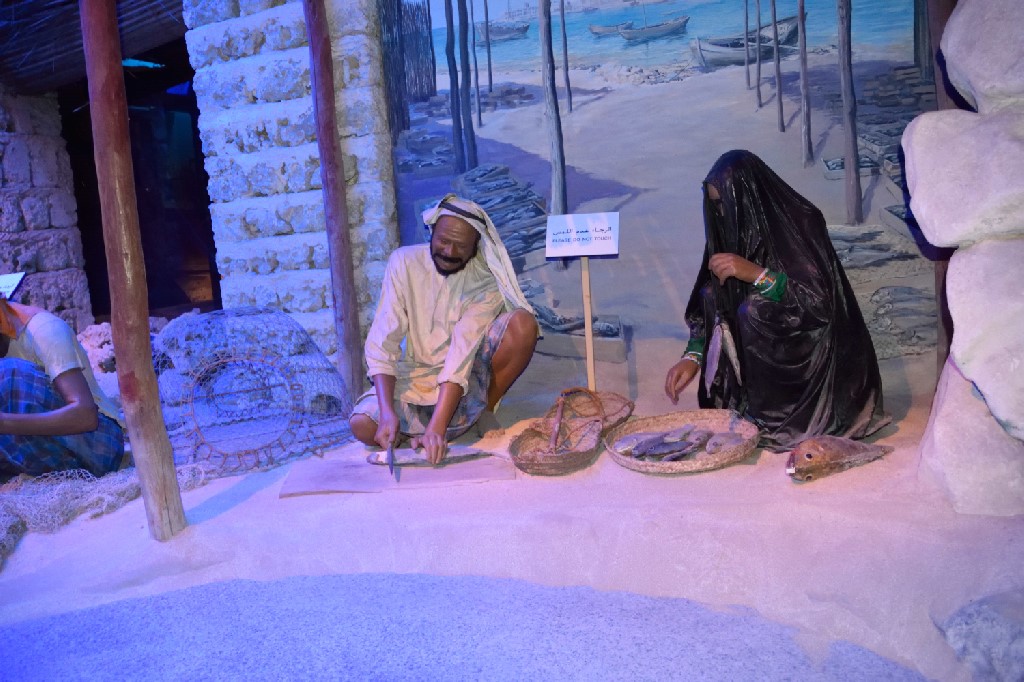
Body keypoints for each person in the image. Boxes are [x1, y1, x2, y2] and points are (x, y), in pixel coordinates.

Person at [664, 150, 888, 451]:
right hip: (757, 369)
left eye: (726, 204)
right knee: (713, 292)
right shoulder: (730, 227)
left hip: (814, 360)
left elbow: (819, 304)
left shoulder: (801, 222)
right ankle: (747, 406)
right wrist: (693, 356)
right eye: (715, 206)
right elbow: (710, 299)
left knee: (755, 310)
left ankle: (776, 420)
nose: (721, 213)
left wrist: (756, 274)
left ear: (749, 198)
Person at [349, 194, 539, 464]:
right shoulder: (403, 262)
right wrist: (387, 411)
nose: (449, 252)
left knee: (523, 325)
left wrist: (437, 426)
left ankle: (476, 413)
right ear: (431, 232)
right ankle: (423, 431)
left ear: (475, 247)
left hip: (464, 381)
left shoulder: (485, 280)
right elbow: (383, 340)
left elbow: (462, 351)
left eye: (461, 246)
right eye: (443, 241)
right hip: (413, 377)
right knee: (362, 425)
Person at [1, 289, 125, 481]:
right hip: (47, 456)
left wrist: (4, 423)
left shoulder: (44, 330)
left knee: (8, 374)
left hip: (101, 446)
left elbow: (86, 417)